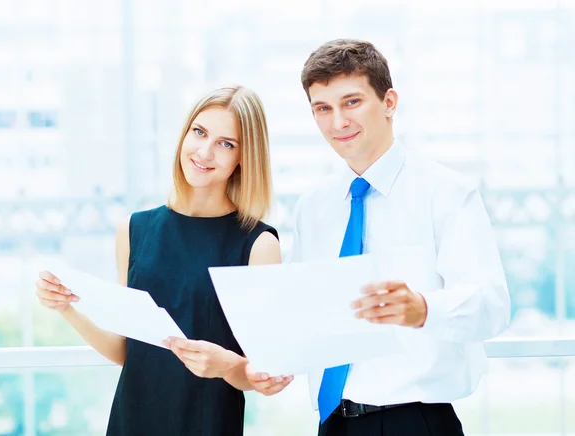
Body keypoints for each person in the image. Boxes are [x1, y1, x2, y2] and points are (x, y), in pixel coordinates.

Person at [250, 39, 511, 435]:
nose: (338, 122)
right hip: (333, 422)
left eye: (351, 102)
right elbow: (306, 312)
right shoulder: (314, 207)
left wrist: (423, 309)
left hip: (415, 420)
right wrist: (277, 363)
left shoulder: (446, 193)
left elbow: (491, 306)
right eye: (323, 108)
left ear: (389, 102)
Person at [35, 85, 292, 436]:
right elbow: (127, 352)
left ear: (243, 158)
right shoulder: (134, 229)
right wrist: (67, 308)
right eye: (199, 132)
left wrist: (225, 365)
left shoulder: (258, 244)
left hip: (207, 424)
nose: (205, 151)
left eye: (226, 143)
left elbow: (260, 375)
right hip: (130, 422)